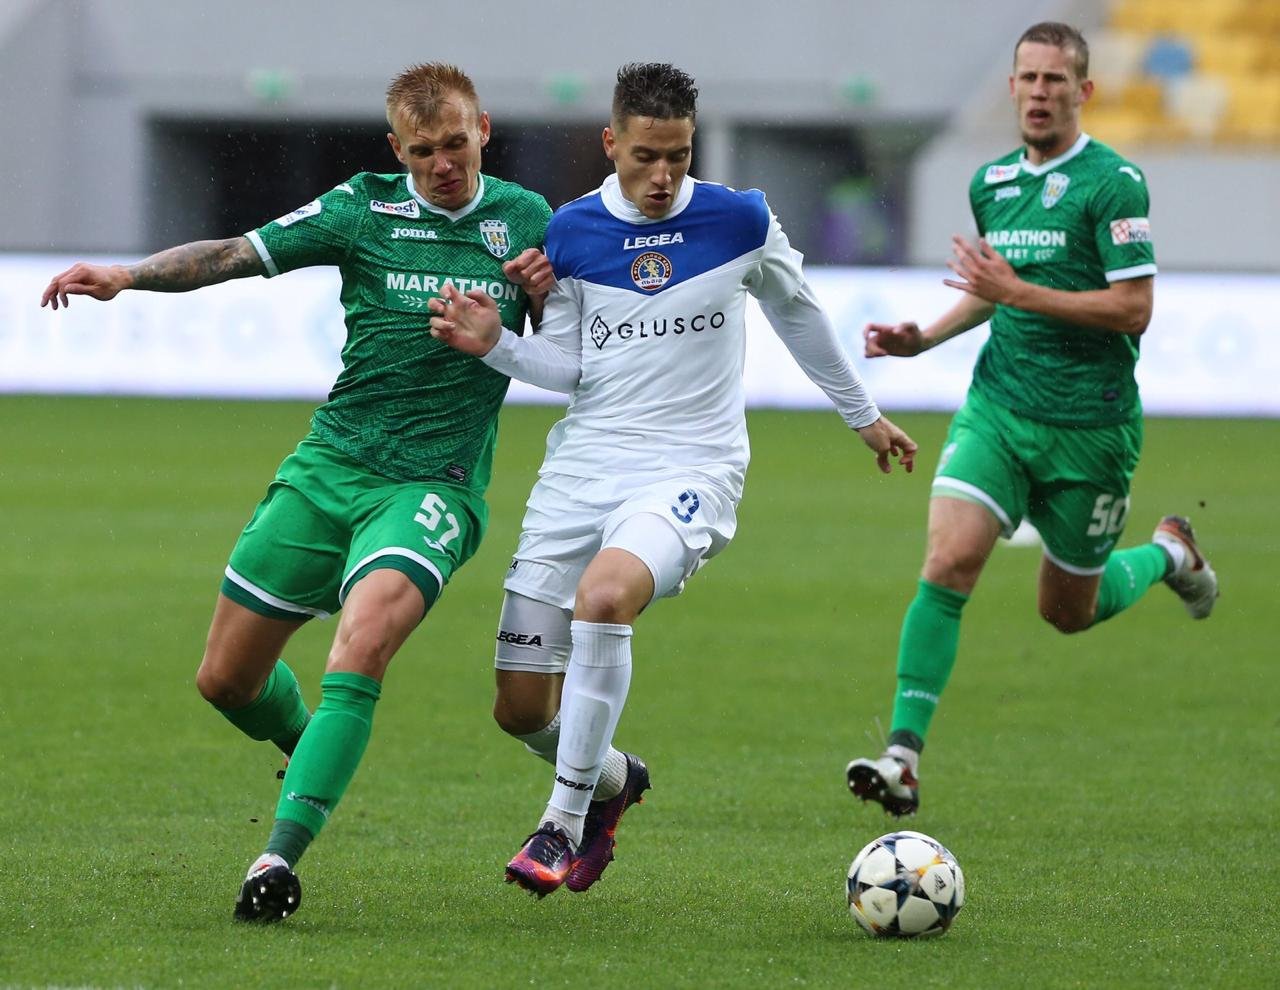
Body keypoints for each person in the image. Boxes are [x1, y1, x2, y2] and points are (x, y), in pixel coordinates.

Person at [40, 63, 554, 921]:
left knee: (360, 648)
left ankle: (277, 858)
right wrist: (128, 277)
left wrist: (543, 297)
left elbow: (567, 348)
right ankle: (307, 745)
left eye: (456, 144)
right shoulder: (360, 208)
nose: (442, 165)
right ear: (397, 149)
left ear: (485, 131)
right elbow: (235, 254)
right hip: (330, 467)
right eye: (422, 150)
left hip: (432, 485)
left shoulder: (530, 219)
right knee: (225, 680)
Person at [428, 62, 918, 897]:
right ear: (611, 143)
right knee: (520, 708)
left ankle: (560, 823)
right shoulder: (572, 231)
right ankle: (615, 780)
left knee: (605, 598)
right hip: (582, 470)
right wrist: (497, 346)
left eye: (679, 157)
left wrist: (861, 414)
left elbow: (798, 314)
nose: (662, 177)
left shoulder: (741, 219)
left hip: (691, 468)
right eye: (645, 156)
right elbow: (570, 368)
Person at [844, 22, 1219, 817]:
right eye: (1029, 78)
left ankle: (1168, 554)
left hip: (1091, 428)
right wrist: (924, 337)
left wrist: (1019, 293)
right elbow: (995, 290)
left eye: (1055, 79)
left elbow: (1133, 309)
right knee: (949, 561)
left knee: (1066, 612)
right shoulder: (992, 183)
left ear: (1084, 91)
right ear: (1012, 87)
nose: (1040, 92)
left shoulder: (1114, 183)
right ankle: (903, 756)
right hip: (1000, 410)